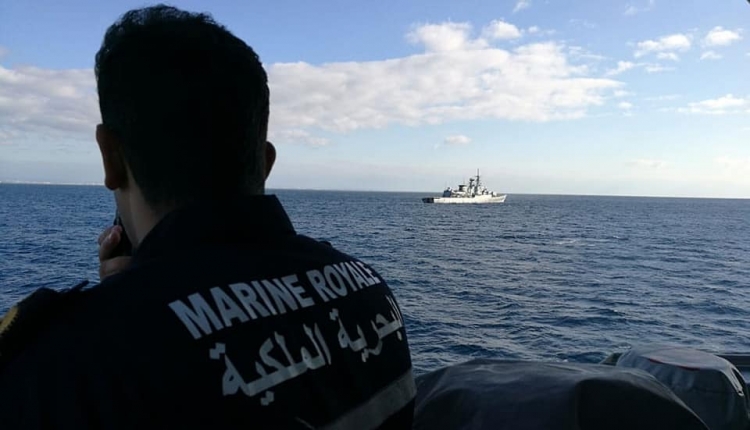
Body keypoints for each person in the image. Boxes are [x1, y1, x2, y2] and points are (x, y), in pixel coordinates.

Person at [0, 5, 415, 429]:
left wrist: (123, 310)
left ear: (110, 156)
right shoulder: (370, 292)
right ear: (265, 162)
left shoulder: (66, 368)